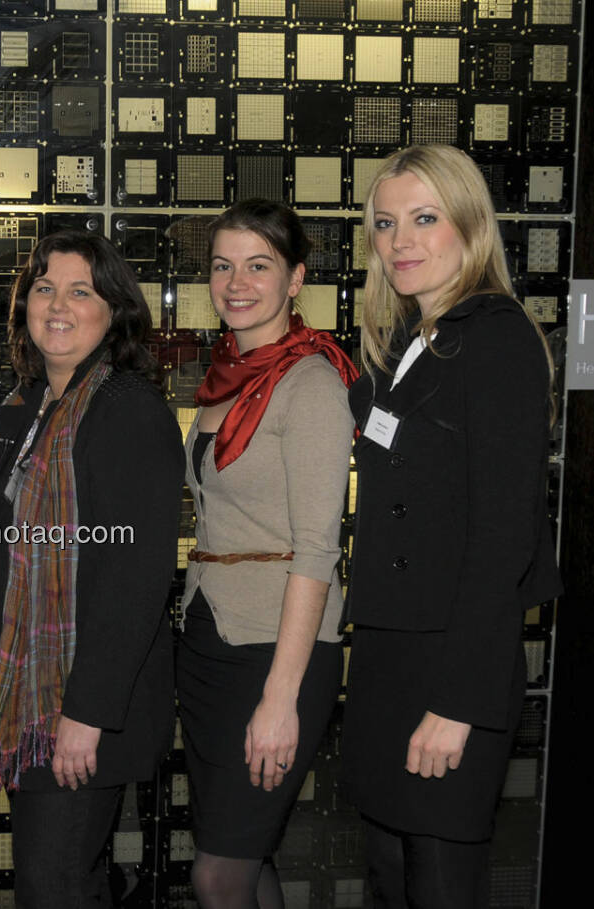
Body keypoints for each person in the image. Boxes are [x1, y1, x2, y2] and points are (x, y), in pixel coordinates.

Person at [345, 145, 561, 908]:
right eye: (384, 223)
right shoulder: (402, 344)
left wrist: (459, 702)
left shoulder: (496, 338)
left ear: (469, 227)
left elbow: (503, 540)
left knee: (437, 886)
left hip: (450, 669)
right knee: (390, 880)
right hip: (388, 658)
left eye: (424, 218)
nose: (400, 240)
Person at [0, 230, 184, 905]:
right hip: (23, 700)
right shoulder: (21, 406)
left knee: (54, 886)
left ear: (116, 310)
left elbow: (134, 580)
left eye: (81, 291)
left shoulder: (125, 409)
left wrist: (86, 713)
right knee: (65, 882)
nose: (57, 304)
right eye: (44, 287)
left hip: (73, 710)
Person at [176, 199, 357, 908]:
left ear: (294, 280)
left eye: (259, 265)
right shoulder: (226, 374)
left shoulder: (310, 382)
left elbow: (318, 547)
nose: (236, 281)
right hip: (210, 638)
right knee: (245, 860)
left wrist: (281, 697)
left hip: (276, 651)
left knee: (217, 874)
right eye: (223, 265)